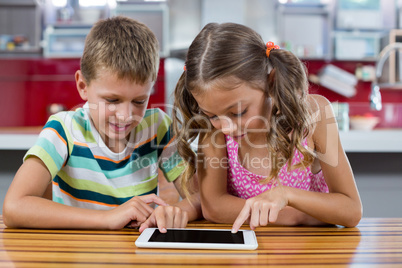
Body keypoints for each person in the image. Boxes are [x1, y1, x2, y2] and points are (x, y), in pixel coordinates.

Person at [3, 16, 201, 232]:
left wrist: (174, 212)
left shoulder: (158, 127)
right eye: (112, 100)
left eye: (139, 101)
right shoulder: (64, 130)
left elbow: (199, 197)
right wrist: (107, 219)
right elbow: (15, 207)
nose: (126, 116)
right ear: (83, 86)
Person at [172, 22, 362, 233]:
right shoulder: (213, 130)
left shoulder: (315, 114)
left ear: (270, 82)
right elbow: (214, 208)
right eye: (212, 115)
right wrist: (302, 216)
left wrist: (286, 195)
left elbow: (351, 209)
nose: (226, 128)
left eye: (238, 112)